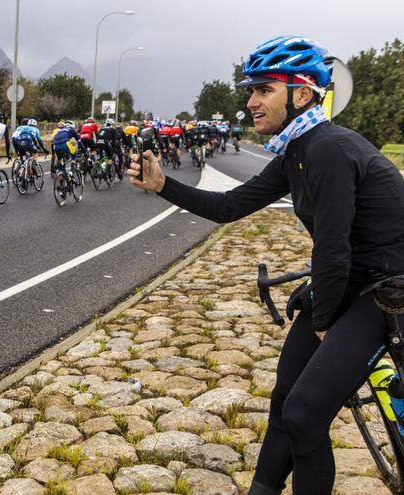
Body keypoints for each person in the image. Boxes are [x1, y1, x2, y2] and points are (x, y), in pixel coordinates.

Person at [127, 35, 404, 495]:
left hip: (386, 288)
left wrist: (325, 321)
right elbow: (231, 205)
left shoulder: (328, 149)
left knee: (304, 413)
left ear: (302, 93)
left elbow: (333, 247)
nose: (251, 101)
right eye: (250, 90)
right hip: (349, 280)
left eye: (263, 90)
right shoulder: (298, 149)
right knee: (283, 404)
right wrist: (162, 186)